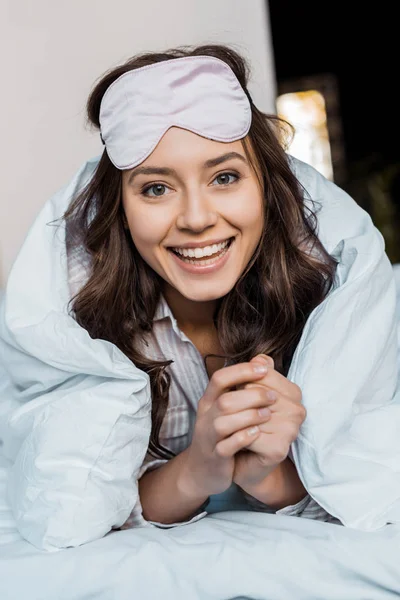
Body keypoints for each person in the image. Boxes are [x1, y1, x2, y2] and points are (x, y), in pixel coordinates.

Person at [1, 44, 399, 552]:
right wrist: (198, 469)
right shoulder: (86, 320)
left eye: (225, 177)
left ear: (267, 187)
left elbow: (367, 473)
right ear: (119, 207)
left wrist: (267, 479)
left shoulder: (325, 291)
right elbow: (71, 500)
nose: (195, 217)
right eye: (156, 189)